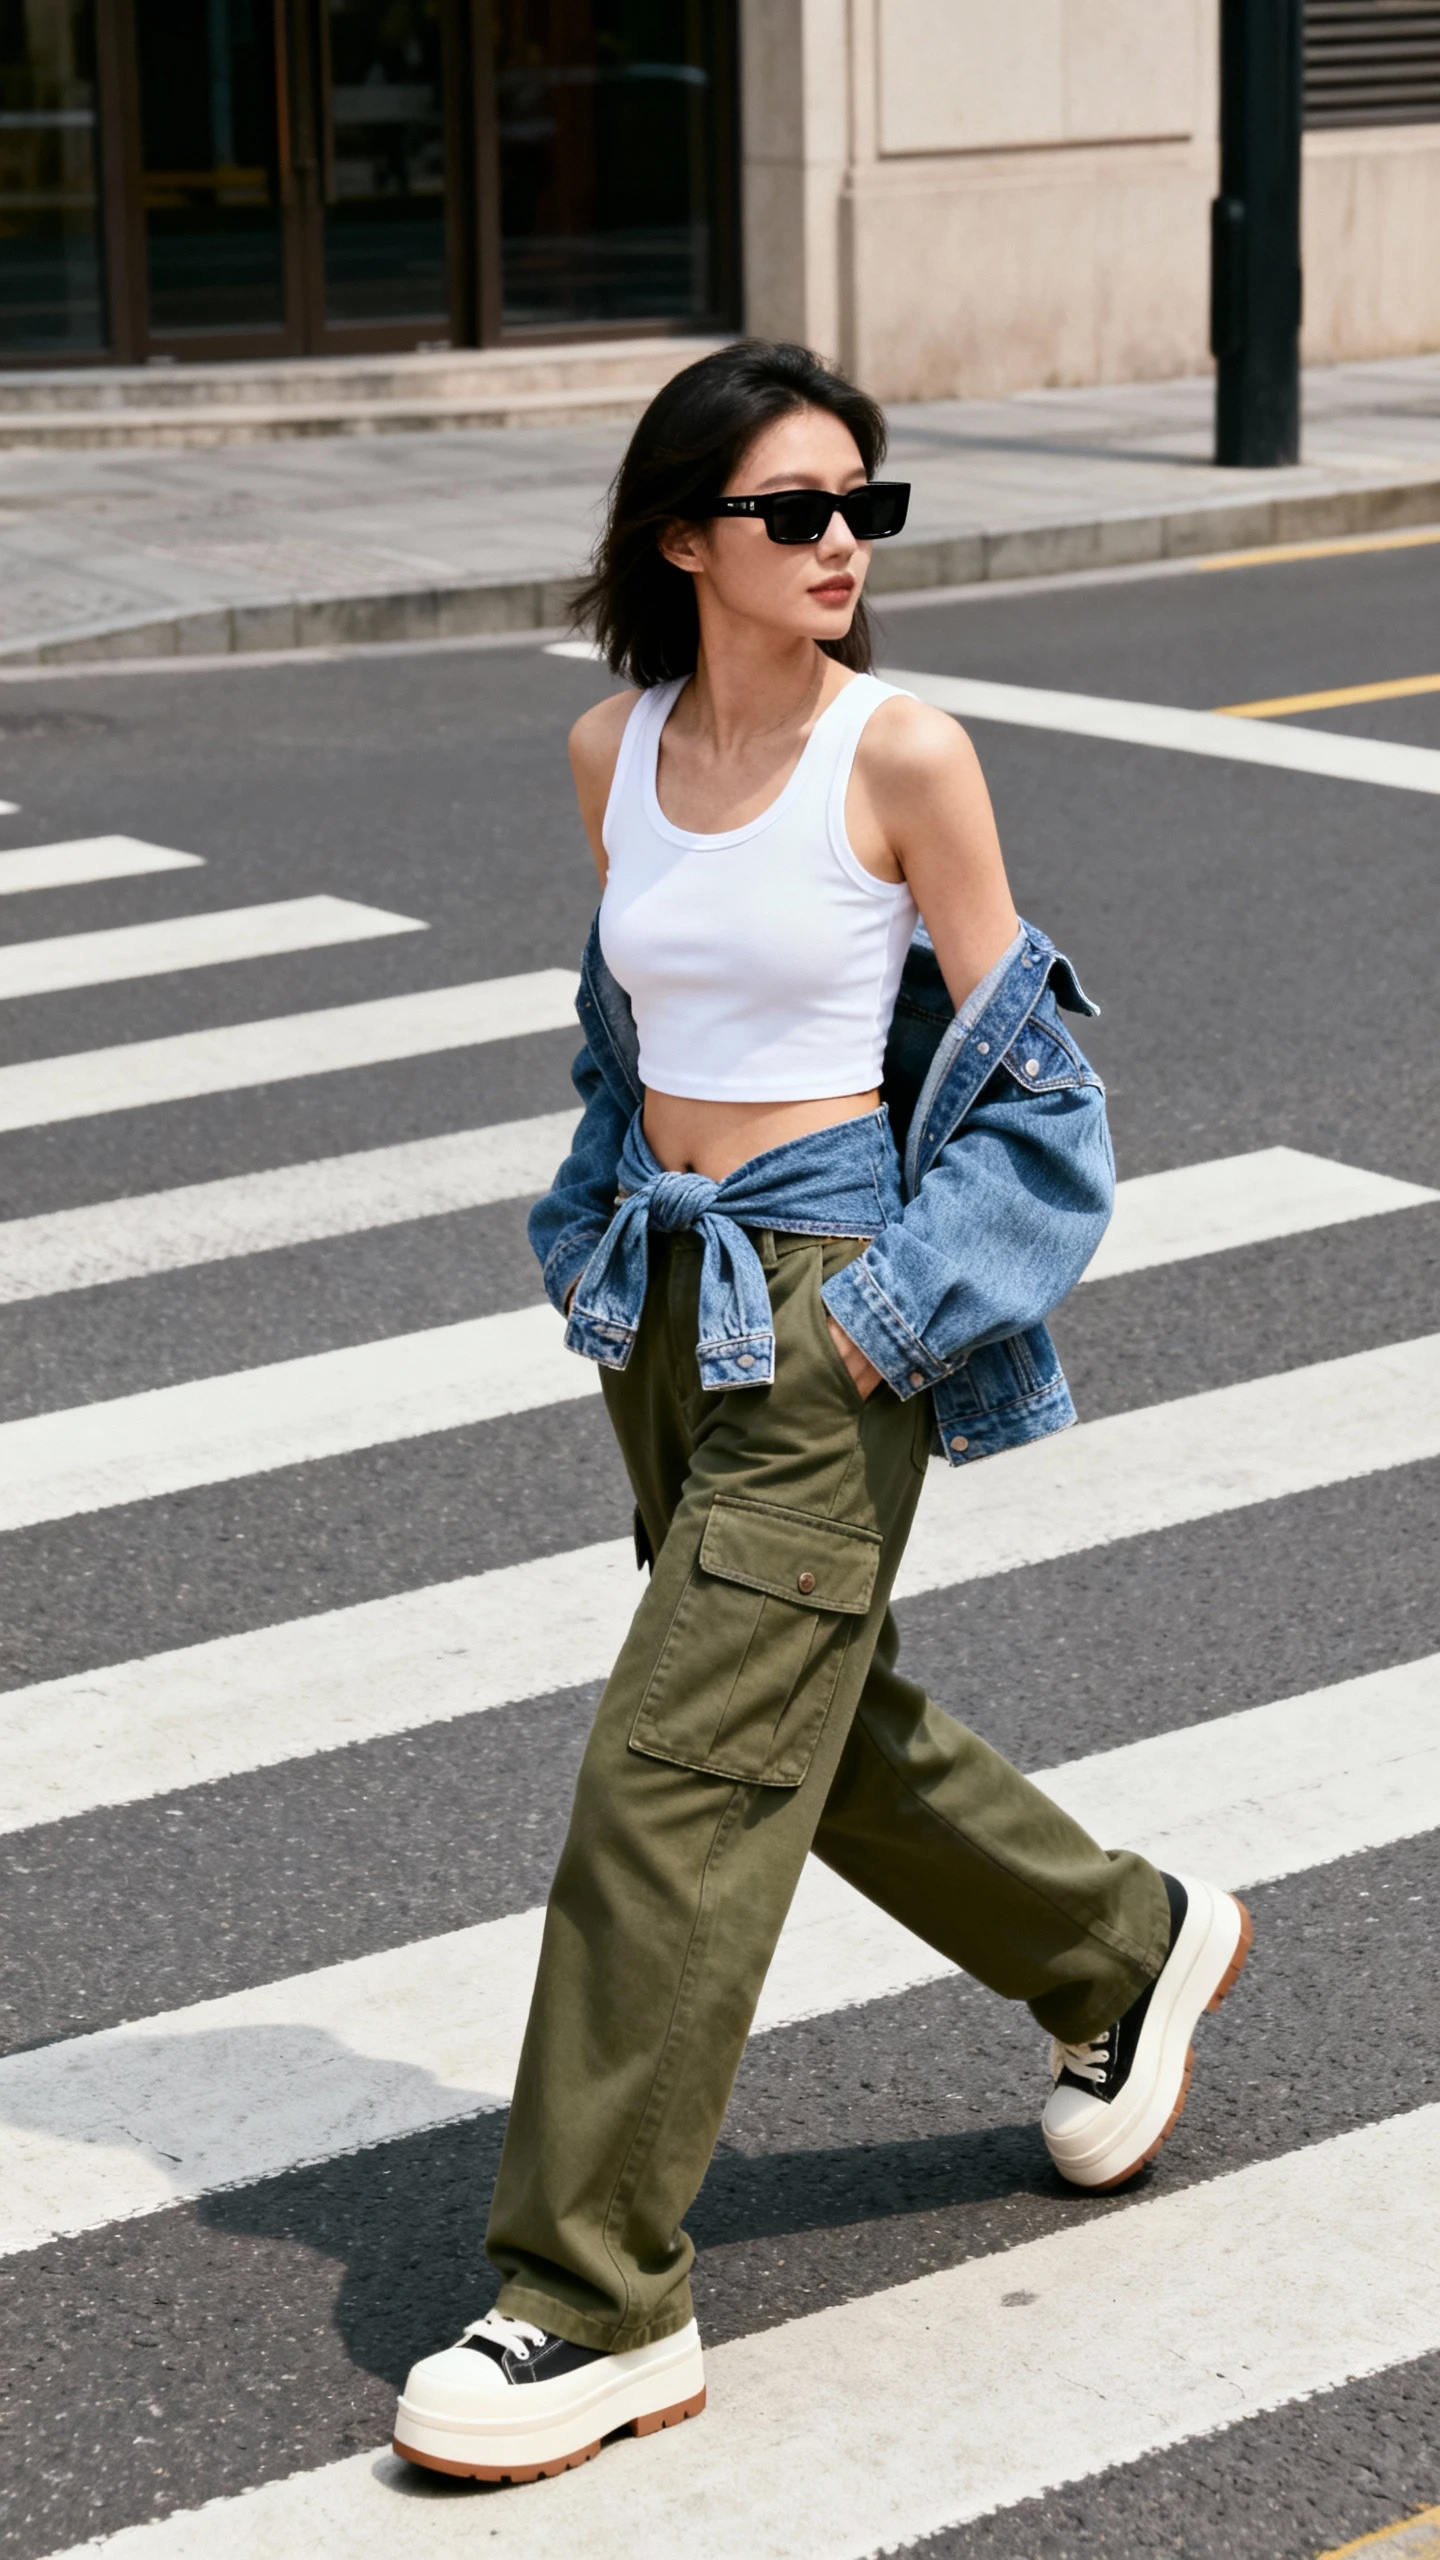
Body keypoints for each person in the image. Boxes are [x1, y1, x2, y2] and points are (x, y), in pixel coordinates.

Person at [392, 340, 1251, 2486]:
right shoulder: (614, 745)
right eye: (796, 511)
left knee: (672, 1772)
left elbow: (1039, 1093)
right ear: (685, 537)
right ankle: (1124, 1943)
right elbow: (627, 1038)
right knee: (801, 1714)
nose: (842, 541)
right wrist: (598, 1238)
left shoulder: (908, 756)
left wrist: (886, 1315)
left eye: (863, 503)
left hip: (828, 1314)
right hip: (669, 1306)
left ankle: (592, 2296)